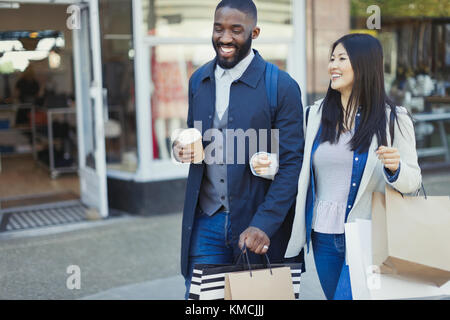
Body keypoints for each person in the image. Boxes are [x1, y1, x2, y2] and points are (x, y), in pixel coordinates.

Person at [254, 33, 422, 300]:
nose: (333, 65)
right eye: (332, 58)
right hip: (323, 237)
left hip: (370, 237)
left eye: (342, 59)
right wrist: (268, 165)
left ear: (365, 64)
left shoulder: (395, 119)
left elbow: (413, 181)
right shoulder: (314, 115)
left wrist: (396, 168)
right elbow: (296, 163)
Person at [173, 0, 305, 299]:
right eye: (218, 29)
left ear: (254, 32)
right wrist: (179, 148)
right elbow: (194, 138)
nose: (225, 38)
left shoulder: (281, 86)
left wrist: (264, 224)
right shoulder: (199, 80)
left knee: (253, 303)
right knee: (201, 303)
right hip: (206, 220)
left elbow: (292, 164)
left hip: (256, 222)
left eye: (236, 30)